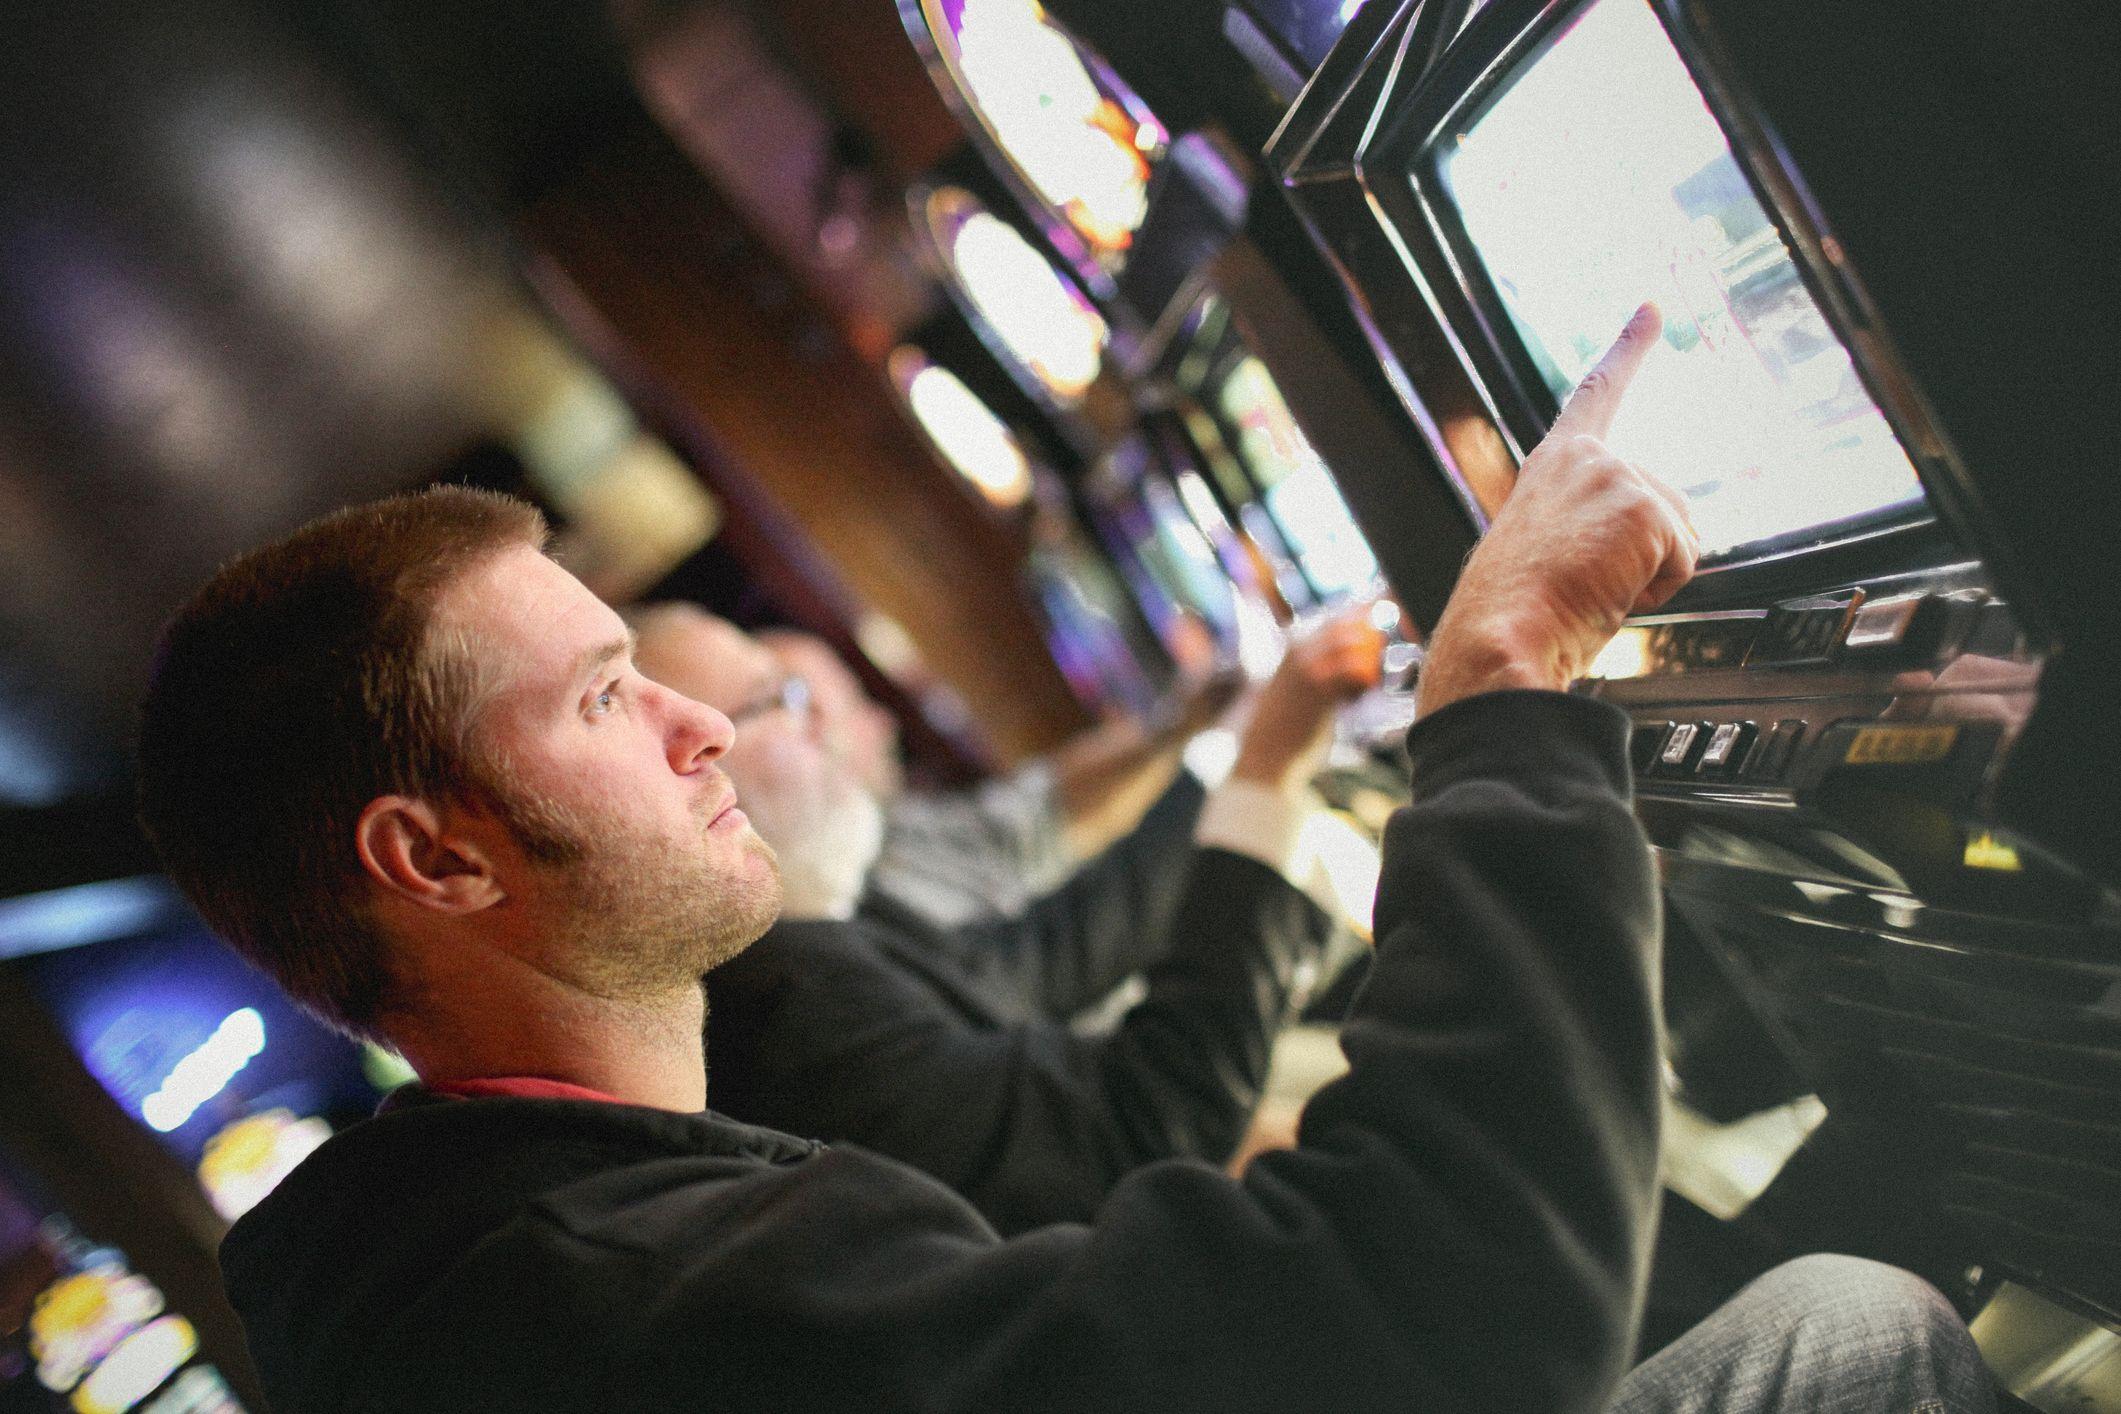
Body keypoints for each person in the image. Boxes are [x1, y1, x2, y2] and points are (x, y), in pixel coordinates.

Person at [136, 305, 1995, 1413]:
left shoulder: (496, 1254)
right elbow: (1449, 1308)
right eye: (612, 696)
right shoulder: (635, 1297)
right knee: (1859, 1326)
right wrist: (1501, 683)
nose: (710, 729)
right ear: (439, 860)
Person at [628, 602, 1361, 1231]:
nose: (820, 721)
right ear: (699, 767)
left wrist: (1237, 759)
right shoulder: (784, 1003)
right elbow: (1141, 1129)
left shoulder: (820, 906)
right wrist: (1261, 773)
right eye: (776, 699)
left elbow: (1032, 965)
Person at [755, 622, 1241, 927]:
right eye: (853, 706)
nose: (883, 722)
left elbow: (1041, 810)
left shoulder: (894, 831)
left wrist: (1177, 725)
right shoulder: (859, 909)